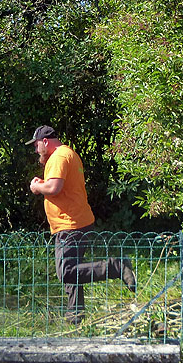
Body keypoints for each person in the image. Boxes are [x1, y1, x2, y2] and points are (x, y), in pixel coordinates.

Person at [26, 125, 136, 323]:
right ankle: (75, 316)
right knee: (74, 269)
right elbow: (61, 186)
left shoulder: (59, 157)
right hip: (76, 221)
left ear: (45, 141)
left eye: (36, 145)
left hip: (70, 224)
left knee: (66, 272)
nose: (36, 150)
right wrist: (43, 183)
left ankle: (116, 267)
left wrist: (36, 187)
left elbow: (54, 187)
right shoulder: (69, 154)